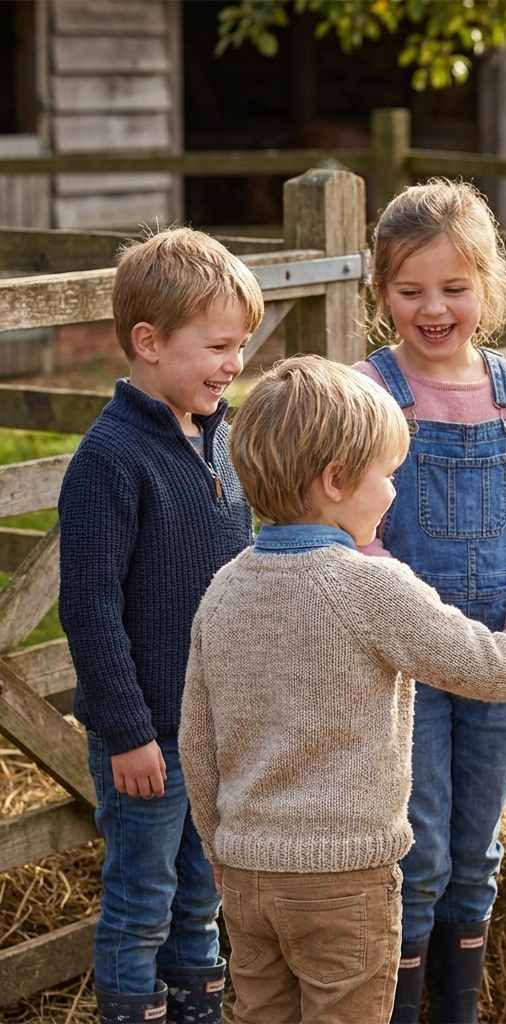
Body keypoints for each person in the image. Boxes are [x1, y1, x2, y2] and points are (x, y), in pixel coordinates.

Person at [178, 356, 506, 1024]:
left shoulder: (224, 588)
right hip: (345, 882)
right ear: (336, 480)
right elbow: (493, 668)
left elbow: (196, 741)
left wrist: (218, 846)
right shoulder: (370, 586)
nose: (394, 493)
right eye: (387, 475)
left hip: (249, 879)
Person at [353, 179, 506, 1023]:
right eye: (410, 291)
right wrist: (404, 618)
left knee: (475, 856)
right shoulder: (370, 391)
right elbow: (350, 525)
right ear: (382, 292)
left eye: (453, 288)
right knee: (421, 855)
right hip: (405, 667)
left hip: (497, 665)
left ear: (489, 285)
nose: (434, 309)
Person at [58, 228, 262, 1024]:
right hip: (146, 739)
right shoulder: (109, 460)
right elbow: (90, 608)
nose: (234, 363)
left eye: (240, 346)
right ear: (148, 343)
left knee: (201, 901)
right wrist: (128, 732)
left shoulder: (223, 440)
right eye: (216, 346)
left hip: (211, 733)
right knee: (142, 902)